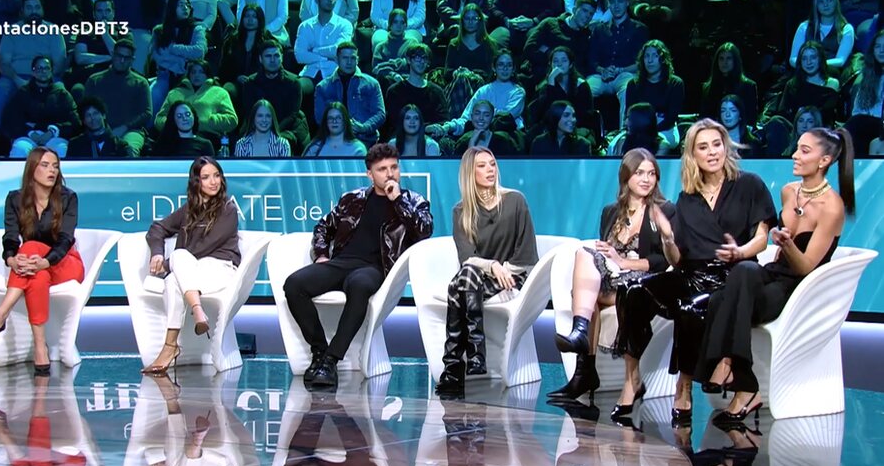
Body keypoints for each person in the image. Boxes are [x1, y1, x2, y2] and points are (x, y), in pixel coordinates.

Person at [611, 119, 777, 425]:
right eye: (703, 147)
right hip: (689, 272)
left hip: (728, 277)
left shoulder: (749, 184)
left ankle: (683, 387)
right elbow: (677, 257)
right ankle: (631, 380)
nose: (712, 152)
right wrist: (668, 238)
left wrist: (740, 251)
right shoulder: (688, 197)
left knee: (690, 309)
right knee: (632, 290)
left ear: (726, 147)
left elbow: (762, 237)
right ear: (693, 155)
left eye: (717, 144)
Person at [696, 127, 855, 426]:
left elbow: (806, 267)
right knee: (724, 291)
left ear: (824, 161)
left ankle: (732, 367)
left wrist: (787, 243)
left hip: (798, 289)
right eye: (797, 147)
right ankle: (744, 380)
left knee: (729, 290)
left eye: (804, 151)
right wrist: (756, 245)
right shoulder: (788, 191)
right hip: (773, 274)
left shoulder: (832, 208)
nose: (795, 155)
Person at [284, 143, 433, 387]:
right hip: (342, 262)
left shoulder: (414, 202)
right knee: (294, 284)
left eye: (394, 167)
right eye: (382, 169)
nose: (390, 174)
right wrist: (321, 254)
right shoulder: (352, 199)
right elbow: (323, 226)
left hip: (376, 268)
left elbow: (424, 231)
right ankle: (320, 351)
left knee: (359, 284)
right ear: (370, 173)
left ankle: (332, 360)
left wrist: (398, 201)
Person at [549, 147, 674, 403]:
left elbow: (664, 261)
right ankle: (582, 344)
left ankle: (583, 365)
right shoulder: (610, 211)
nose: (646, 179)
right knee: (586, 256)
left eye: (651, 173)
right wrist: (611, 259)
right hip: (611, 281)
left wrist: (622, 261)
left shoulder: (664, 210)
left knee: (585, 294)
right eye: (639, 172)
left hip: (642, 285)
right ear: (626, 176)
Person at [436, 147, 539, 396]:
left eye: (492, 164)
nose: (490, 170)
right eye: (481, 166)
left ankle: (455, 366)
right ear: (470, 173)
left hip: (513, 276)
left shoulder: (515, 200)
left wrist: (503, 269)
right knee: (467, 277)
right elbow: (467, 258)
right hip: (478, 276)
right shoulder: (462, 211)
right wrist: (492, 265)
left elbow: (526, 255)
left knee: (457, 286)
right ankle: (473, 357)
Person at [0, 148, 83, 375]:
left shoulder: (68, 198)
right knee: (33, 268)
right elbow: (10, 236)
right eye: (45, 165)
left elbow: (66, 239)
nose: (52, 171)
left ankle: (1, 314)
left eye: (55, 166)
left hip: (65, 264)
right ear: (32, 168)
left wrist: (45, 261)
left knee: (30, 248)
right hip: (33, 268)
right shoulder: (15, 199)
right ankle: (40, 348)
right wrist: (11, 259)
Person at [142, 156, 240, 375]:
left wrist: (169, 263)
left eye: (217, 176)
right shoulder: (189, 209)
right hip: (192, 272)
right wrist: (156, 253)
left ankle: (171, 345)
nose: (214, 182)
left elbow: (204, 247)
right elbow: (157, 228)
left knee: (176, 268)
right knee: (174, 280)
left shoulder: (228, 209)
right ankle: (194, 316)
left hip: (220, 268)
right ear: (197, 182)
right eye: (206, 177)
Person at [0, 0, 66, 156]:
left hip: (46, 76)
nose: (33, 11)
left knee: (60, 87)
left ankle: (61, 136)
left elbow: (59, 63)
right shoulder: (13, 31)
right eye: (29, 8)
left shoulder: (53, 31)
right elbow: (4, 63)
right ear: (22, 11)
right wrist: (18, 79)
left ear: (43, 10)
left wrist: (42, 78)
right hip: (17, 77)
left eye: (37, 7)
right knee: (0, 88)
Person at [586, 0, 649, 130]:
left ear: (627, 3)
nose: (616, 6)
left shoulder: (639, 29)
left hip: (625, 75)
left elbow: (641, 63)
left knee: (628, 88)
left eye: (620, 1)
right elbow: (592, 59)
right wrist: (602, 70)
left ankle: (622, 135)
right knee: (584, 89)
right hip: (602, 76)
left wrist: (621, 70)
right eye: (612, 2)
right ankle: (586, 134)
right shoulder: (599, 29)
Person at [234, 39, 309, 155]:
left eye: (276, 56)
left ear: (282, 57)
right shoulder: (250, 83)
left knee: (284, 141)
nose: (273, 60)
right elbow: (250, 111)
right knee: (241, 140)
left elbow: (292, 115)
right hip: (257, 124)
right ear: (261, 59)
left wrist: (274, 131)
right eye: (268, 56)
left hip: (286, 127)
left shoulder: (293, 83)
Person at [83, 39, 151, 157]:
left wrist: (125, 127)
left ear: (132, 60)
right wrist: (100, 129)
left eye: (127, 57)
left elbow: (147, 112)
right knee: (85, 148)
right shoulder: (95, 80)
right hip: (97, 129)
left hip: (131, 131)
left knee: (130, 150)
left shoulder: (140, 82)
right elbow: (84, 109)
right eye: (119, 56)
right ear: (113, 55)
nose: (122, 60)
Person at [149, 0, 208, 129]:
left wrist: (172, 47)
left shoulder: (197, 29)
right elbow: (158, 56)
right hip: (164, 76)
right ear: (172, 7)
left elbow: (199, 51)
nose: (185, 8)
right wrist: (182, 62)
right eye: (181, 5)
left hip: (188, 78)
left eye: (187, 5)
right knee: (154, 97)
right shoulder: (159, 31)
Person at [2, 55, 79, 158]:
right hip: (28, 136)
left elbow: (75, 122)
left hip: (54, 136)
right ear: (33, 72)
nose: (43, 71)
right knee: (20, 150)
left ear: (51, 71)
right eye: (39, 68)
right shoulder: (23, 93)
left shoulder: (62, 94)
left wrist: (53, 131)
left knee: (61, 149)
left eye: (46, 68)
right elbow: (10, 120)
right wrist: (29, 132)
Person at [313, 42, 386, 146]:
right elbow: (320, 118)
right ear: (337, 59)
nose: (349, 62)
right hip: (334, 141)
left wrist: (363, 127)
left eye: (352, 58)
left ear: (357, 59)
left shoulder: (372, 84)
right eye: (345, 58)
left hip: (365, 140)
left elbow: (380, 114)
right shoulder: (323, 87)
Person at [154, 60, 238, 144]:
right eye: (193, 72)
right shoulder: (175, 93)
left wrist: (208, 121)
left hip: (207, 138)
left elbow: (232, 120)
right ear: (189, 75)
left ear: (207, 74)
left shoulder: (219, 92)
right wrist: (175, 123)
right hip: (176, 137)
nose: (196, 75)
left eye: (201, 72)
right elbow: (159, 119)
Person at [624, 39, 684, 147]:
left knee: (659, 145)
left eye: (654, 56)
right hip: (637, 130)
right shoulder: (633, 84)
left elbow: (671, 118)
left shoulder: (675, 84)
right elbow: (629, 113)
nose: (650, 60)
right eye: (646, 56)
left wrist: (651, 131)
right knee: (617, 144)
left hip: (666, 129)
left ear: (662, 59)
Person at [524, 0, 596, 84]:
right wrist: (550, 54)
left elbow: (580, 65)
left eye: (591, 13)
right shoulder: (550, 24)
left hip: (568, 81)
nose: (587, 16)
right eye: (584, 11)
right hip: (541, 74)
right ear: (574, 10)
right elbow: (529, 48)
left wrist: (546, 49)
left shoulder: (585, 37)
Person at [294, 0, 354, 96]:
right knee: (296, 88)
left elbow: (339, 50)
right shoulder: (305, 26)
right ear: (317, 0)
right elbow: (300, 56)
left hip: (334, 74)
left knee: (332, 89)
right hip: (310, 73)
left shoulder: (344, 25)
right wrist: (326, 57)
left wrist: (315, 50)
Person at [788, 0, 855, 71]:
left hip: (831, 74)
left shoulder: (846, 29)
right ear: (816, 5)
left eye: (829, 0)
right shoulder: (804, 27)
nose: (825, 5)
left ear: (836, 2)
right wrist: (807, 66)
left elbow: (840, 60)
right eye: (821, 2)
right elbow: (793, 58)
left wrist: (816, 65)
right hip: (804, 73)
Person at [777, 41, 840, 125]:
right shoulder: (792, 84)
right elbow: (783, 112)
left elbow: (828, 115)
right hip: (795, 130)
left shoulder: (832, 84)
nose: (808, 62)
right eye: (804, 58)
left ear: (820, 59)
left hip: (820, 131)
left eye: (813, 57)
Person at [699, 42, 759, 122]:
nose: (724, 62)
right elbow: (703, 117)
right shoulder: (707, 87)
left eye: (729, 58)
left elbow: (751, 118)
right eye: (721, 58)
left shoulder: (748, 86)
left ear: (735, 61)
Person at [445, 4, 498, 78]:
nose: (470, 22)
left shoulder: (490, 44)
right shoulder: (454, 44)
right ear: (462, 20)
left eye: (474, 18)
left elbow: (492, 73)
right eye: (467, 18)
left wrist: (475, 75)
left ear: (480, 20)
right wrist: (457, 73)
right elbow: (447, 72)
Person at [450, 100, 519, 156]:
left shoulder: (503, 142)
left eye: (486, 115)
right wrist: (472, 143)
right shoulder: (463, 143)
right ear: (471, 117)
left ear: (492, 119)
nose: (481, 118)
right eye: (477, 113)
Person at [304, 102, 368, 157]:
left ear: (345, 120)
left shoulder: (358, 149)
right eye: (330, 118)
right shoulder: (315, 147)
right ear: (326, 122)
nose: (334, 121)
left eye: (338, 118)